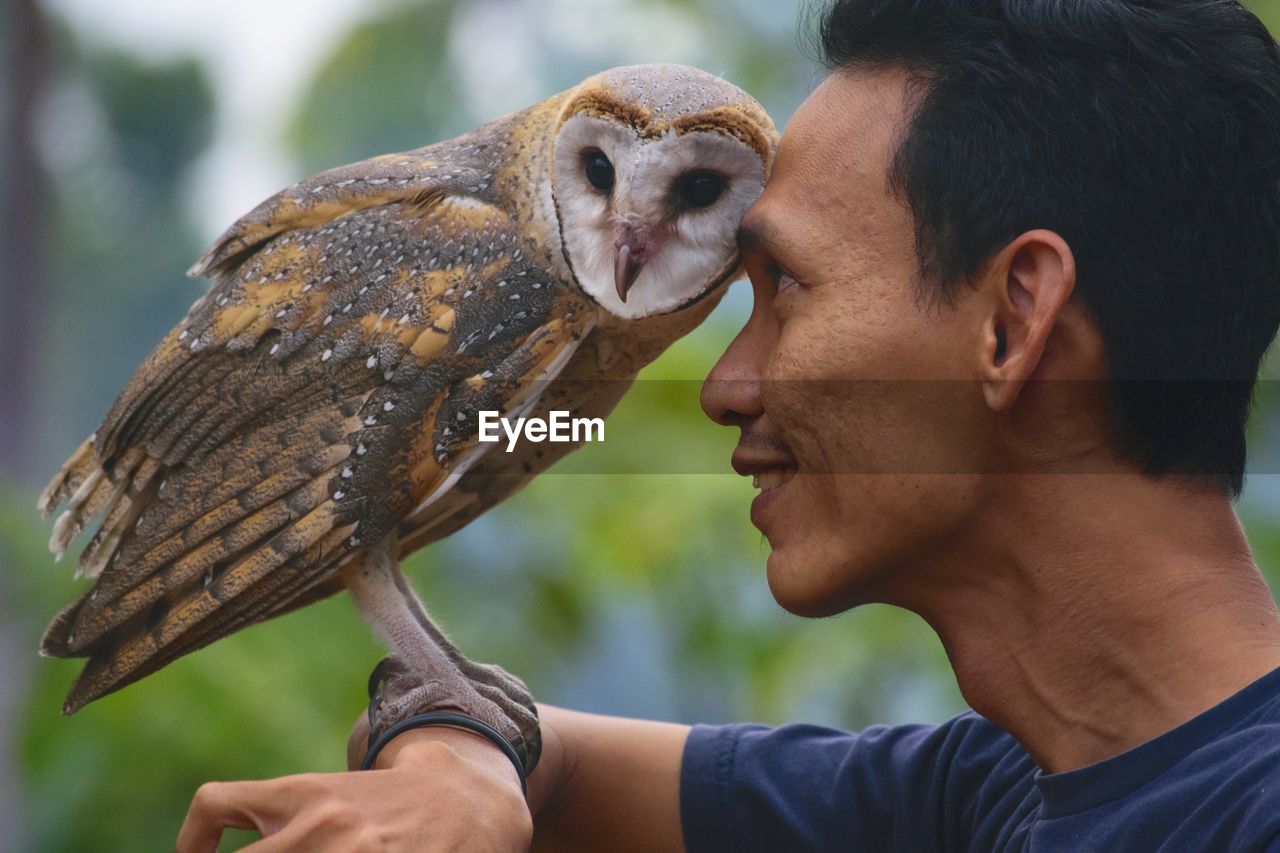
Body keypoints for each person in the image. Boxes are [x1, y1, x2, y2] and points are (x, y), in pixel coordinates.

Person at [176, 0, 1280, 849]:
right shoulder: (996, 790)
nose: (724, 385)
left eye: (785, 288)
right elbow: (543, 753)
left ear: (1012, 322)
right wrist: (454, 766)